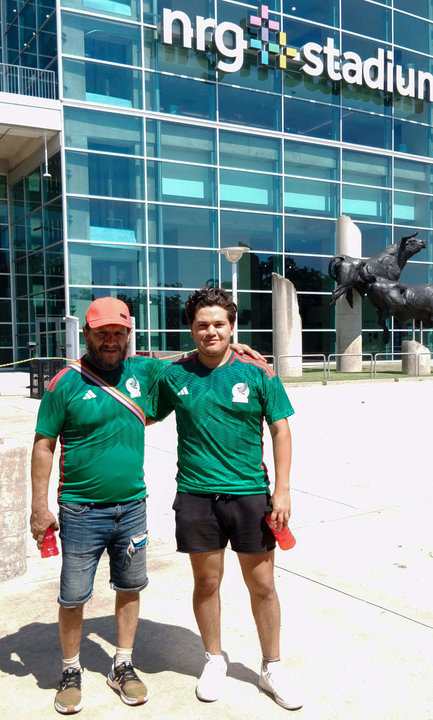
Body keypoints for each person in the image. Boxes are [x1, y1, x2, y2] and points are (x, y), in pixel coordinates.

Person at [30, 295, 261, 715]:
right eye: (102, 333)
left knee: (130, 589)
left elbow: (196, 356)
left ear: (128, 335)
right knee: (72, 595)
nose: (111, 341)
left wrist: (234, 347)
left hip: (132, 506)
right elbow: (44, 444)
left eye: (119, 333)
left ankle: (123, 663)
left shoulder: (143, 369)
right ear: (87, 335)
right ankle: (70, 669)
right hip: (80, 509)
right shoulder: (64, 381)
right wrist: (38, 506)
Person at [147, 287, 303, 711]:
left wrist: (283, 489)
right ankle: (214, 659)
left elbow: (281, 429)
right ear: (191, 330)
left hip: (251, 495)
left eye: (218, 323)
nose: (210, 331)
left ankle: (272, 666)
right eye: (202, 324)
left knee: (263, 585)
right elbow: (140, 408)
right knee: (206, 583)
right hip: (197, 496)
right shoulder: (176, 375)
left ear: (232, 327)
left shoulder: (258, 372)